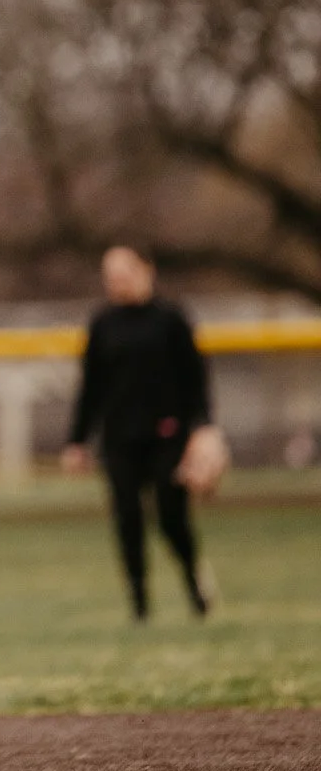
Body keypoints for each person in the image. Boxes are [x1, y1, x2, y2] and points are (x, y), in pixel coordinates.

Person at [61, 245, 224, 620]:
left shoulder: (170, 319)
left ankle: (193, 581)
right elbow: (91, 388)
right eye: (110, 275)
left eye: (123, 273)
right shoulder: (102, 324)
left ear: (146, 270)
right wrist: (77, 440)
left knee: (170, 515)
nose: (116, 282)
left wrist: (204, 428)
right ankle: (140, 604)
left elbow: (195, 380)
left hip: (169, 432)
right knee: (127, 518)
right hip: (119, 436)